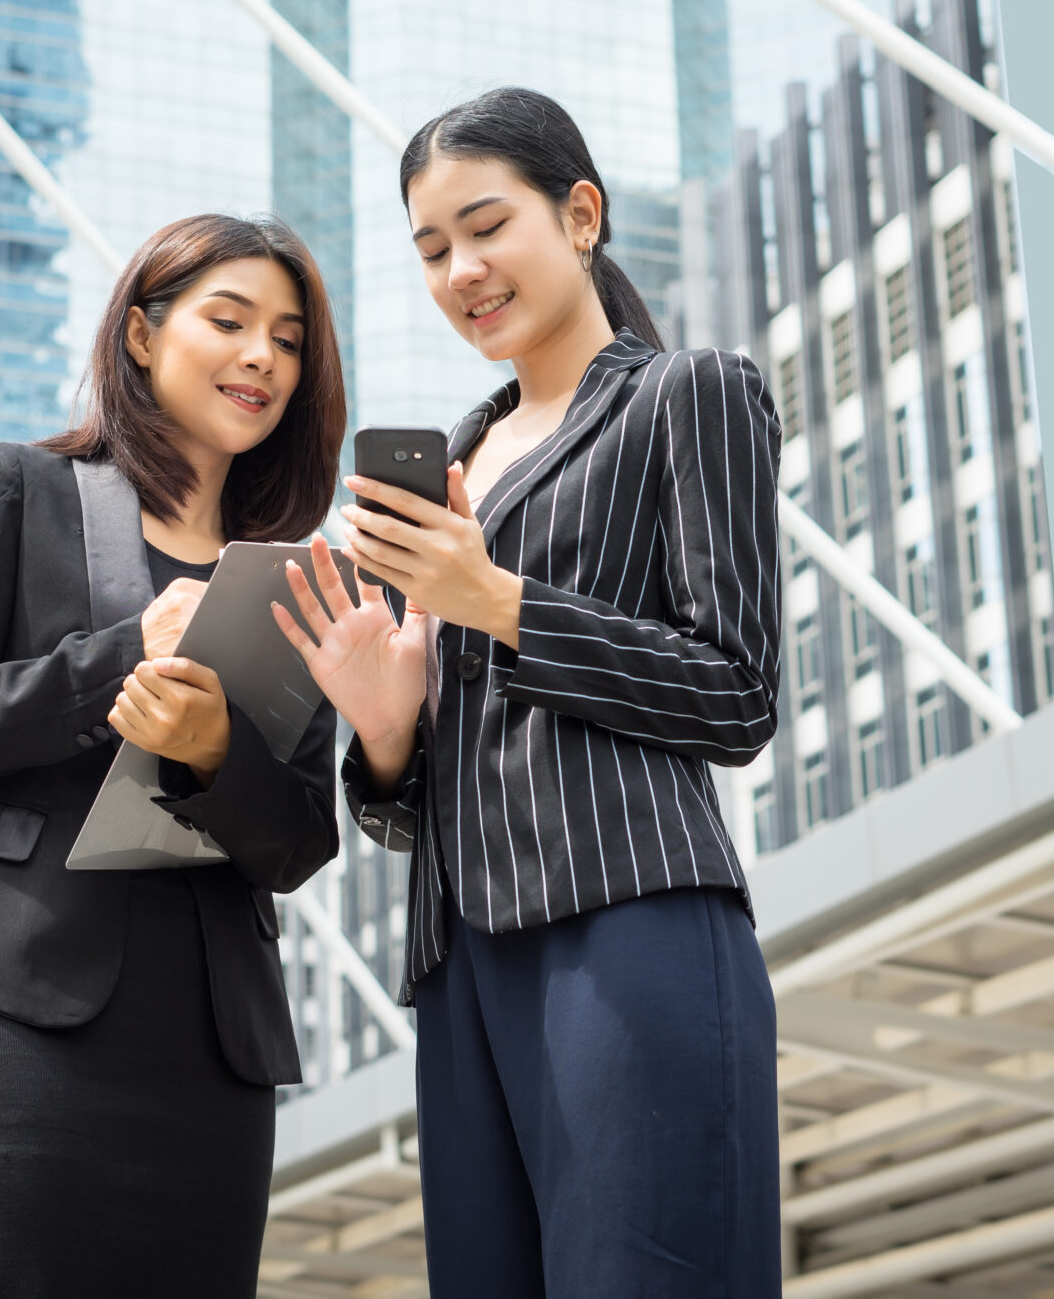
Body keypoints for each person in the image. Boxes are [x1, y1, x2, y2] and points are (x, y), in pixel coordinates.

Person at [274, 87, 785, 1297]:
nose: (462, 269)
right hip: (458, 963)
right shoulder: (452, 459)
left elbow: (737, 692)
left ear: (582, 212)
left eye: (485, 224)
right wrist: (387, 727)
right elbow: (408, 803)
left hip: (631, 922)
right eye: (432, 249)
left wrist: (497, 600)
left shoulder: (686, 394)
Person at [0, 213, 347, 1299]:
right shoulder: (17, 490)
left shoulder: (299, 582)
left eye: (290, 337)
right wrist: (120, 657)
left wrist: (214, 751)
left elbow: (306, 834)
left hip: (212, 1041)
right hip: (12, 997)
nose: (262, 354)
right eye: (229, 320)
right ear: (137, 333)